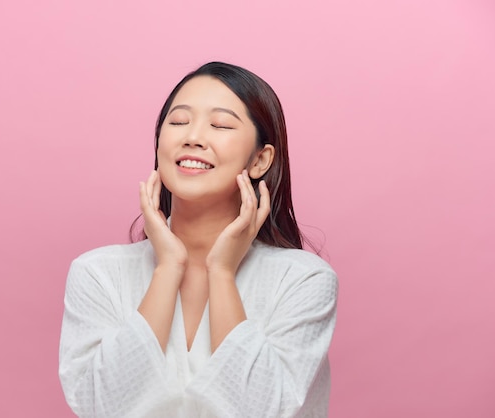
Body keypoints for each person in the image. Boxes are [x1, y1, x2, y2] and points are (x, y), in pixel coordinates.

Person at [58, 62, 338, 418]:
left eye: (220, 125)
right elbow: (104, 409)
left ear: (260, 160)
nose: (192, 136)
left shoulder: (303, 280)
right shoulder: (96, 274)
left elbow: (259, 410)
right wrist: (168, 269)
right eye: (177, 122)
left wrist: (221, 273)